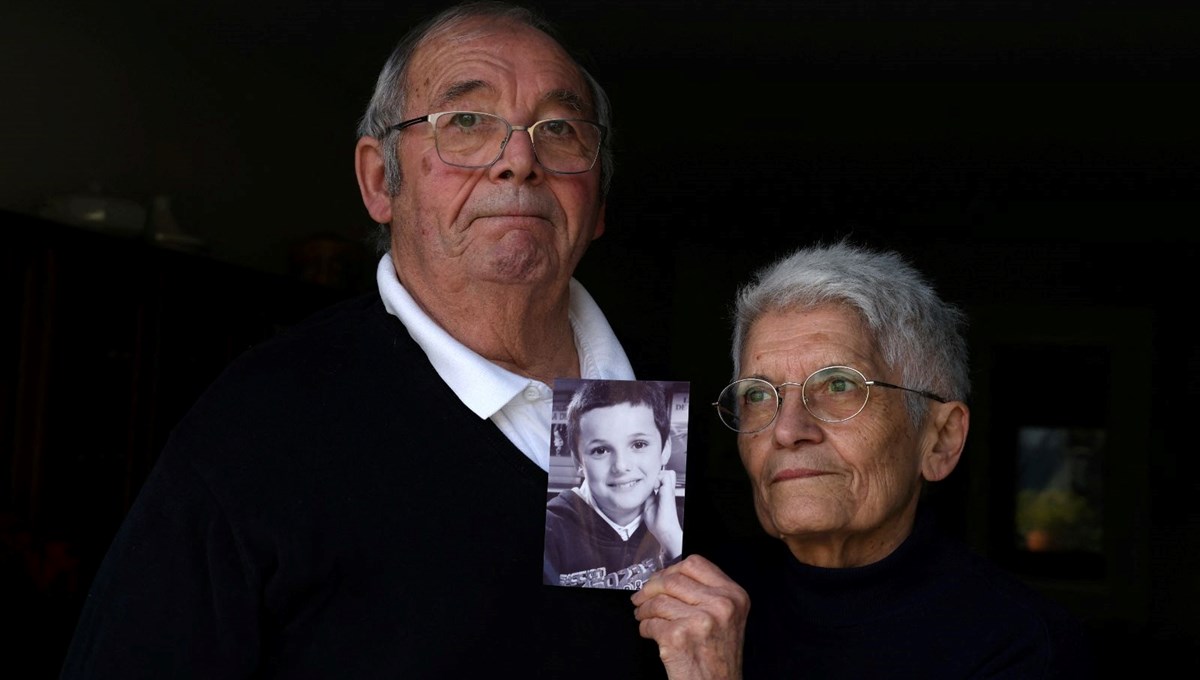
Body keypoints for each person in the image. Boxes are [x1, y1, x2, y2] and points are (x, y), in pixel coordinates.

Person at [60, 2, 668, 677]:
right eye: (466, 121)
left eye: (558, 129)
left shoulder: (642, 402)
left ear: (599, 199)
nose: (519, 159)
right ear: (381, 181)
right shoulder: (262, 424)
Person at [631, 240, 1097, 679]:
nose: (787, 430)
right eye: (758, 394)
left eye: (838, 385)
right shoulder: (685, 604)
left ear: (940, 440)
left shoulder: (1021, 645)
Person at [544, 379, 684, 589]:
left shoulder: (678, 522)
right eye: (600, 450)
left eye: (638, 444)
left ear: (664, 450)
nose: (621, 466)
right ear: (578, 462)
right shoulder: (551, 529)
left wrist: (674, 541)